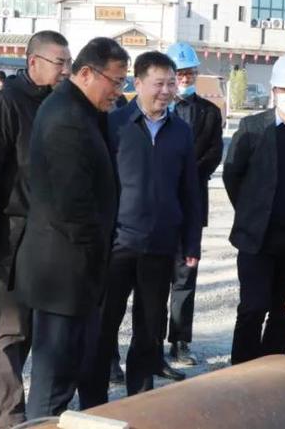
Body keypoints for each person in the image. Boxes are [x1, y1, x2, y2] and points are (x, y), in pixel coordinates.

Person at [13, 37, 130, 418]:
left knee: (81, 369)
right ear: (87, 73)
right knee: (54, 384)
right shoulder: (65, 117)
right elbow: (71, 205)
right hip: (63, 274)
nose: (119, 90)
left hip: (80, 271)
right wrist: (98, 251)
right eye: (115, 81)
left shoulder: (85, 111)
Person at [84, 51, 202, 406]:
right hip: (118, 243)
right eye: (158, 83)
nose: (166, 91)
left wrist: (191, 242)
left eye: (171, 83)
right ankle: (93, 400)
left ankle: (140, 399)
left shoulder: (181, 132)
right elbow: (96, 185)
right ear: (137, 84)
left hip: (161, 245)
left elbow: (190, 191)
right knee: (104, 324)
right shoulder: (114, 125)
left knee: (149, 327)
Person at [0, 31, 72, 428]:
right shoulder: (5, 104)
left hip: (46, 236)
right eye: (59, 63)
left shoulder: (57, 103)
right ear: (33, 62)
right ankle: (9, 418)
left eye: (68, 63)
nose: (66, 70)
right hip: (10, 235)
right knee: (9, 330)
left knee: (30, 329)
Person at [222, 52, 285, 364]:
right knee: (252, 308)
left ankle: (272, 372)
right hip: (257, 239)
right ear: (274, 91)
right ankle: (242, 372)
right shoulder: (253, 128)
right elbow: (232, 174)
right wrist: (250, 211)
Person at [163, 42, 224, 369]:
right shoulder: (153, 110)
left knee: (185, 277)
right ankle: (148, 342)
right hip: (157, 208)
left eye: (189, 73)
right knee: (153, 279)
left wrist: (187, 175)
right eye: (179, 73)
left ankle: (180, 341)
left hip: (191, 207)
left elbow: (213, 154)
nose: (185, 78)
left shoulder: (209, 113)